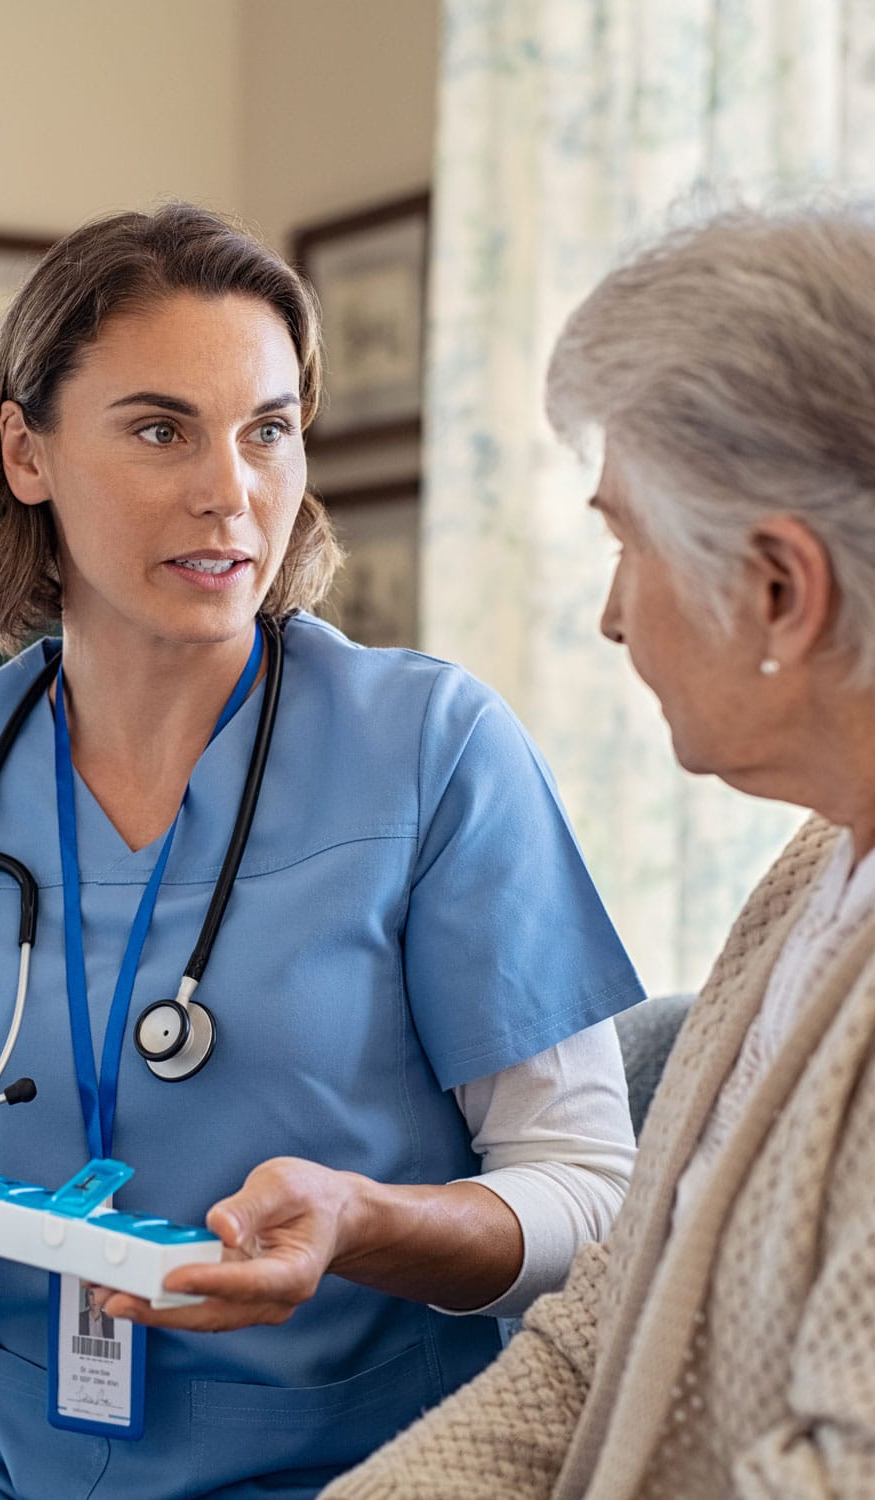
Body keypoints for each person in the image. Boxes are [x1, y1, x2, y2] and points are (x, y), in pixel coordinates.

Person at [0, 203, 643, 1500]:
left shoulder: (431, 748)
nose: (231, 492)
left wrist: (361, 1222)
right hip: (11, 1471)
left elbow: (587, 1199)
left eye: (268, 432)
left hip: (366, 1474)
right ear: (27, 453)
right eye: (161, 428)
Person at [320, 200, 875, 1500]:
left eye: (626, 541)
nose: (613, 615)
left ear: (782, 591)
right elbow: (593, 1341)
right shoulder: (813, 874)